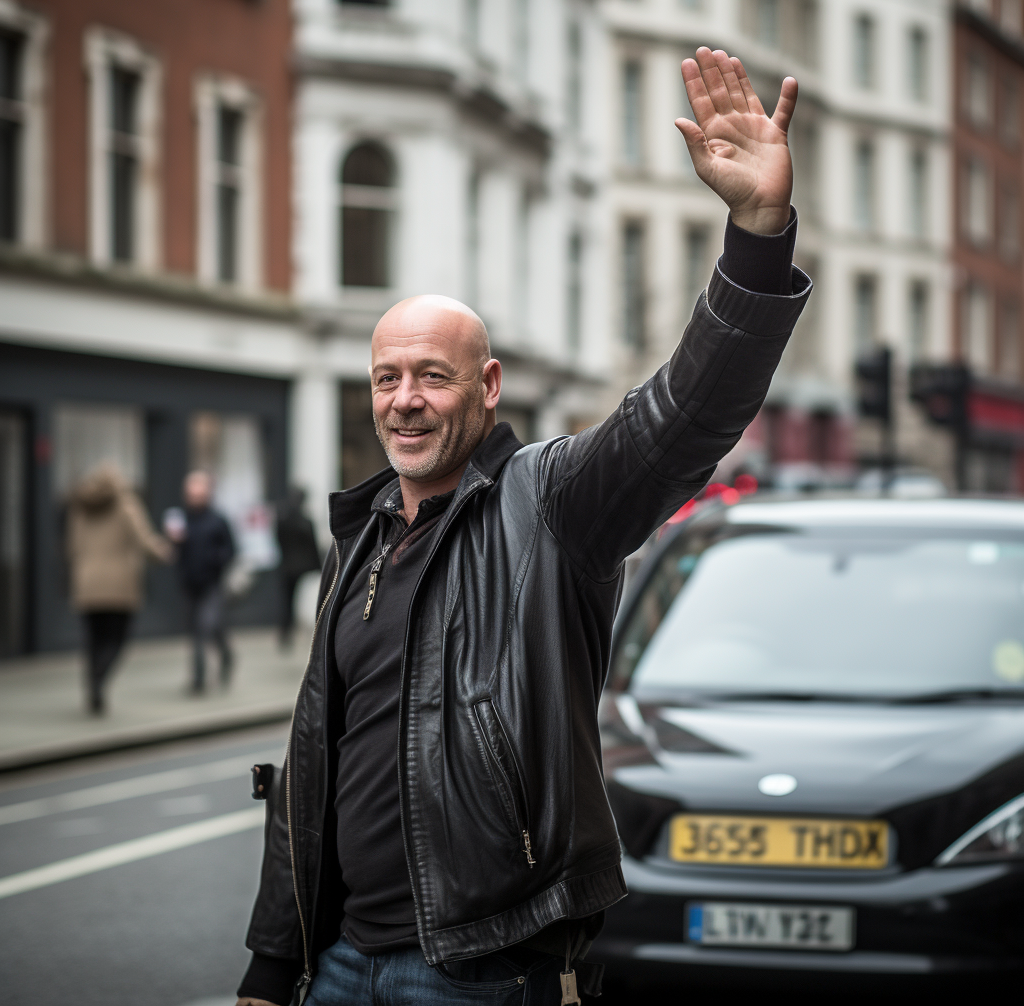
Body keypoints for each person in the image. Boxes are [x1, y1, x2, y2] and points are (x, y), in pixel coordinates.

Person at [237, 49, 810, 1006]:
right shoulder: (363, 536)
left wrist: (755, 235)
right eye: (388, 378)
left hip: (482, 969)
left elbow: (682, 418)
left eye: (433, 375)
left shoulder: (550, 505)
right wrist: (271, 960)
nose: (406, 402)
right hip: (334, 965)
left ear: (488, 386)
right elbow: (313, 765)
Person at [66, 463, 171, 715]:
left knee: (93, 638)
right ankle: (99, 681)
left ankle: (92, 684)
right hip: (119, 582)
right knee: (117, 638)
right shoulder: (126, 504)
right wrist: (163, 551)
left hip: (87, 581)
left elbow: (71, 545)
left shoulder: (80, 507)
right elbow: (144, 540)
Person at [169, 470, 236, 693]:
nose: (195, 497)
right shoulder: (181, 519)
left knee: (204, 626)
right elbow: (175, 551)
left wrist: (216, 561)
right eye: (191, 493)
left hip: (212, 583)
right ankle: (222, 657)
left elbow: (231, 549)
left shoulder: (218, 520)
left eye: (199, 493)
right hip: (189, 583)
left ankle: (200, 678)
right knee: (200, 629)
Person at [275, 487, 322, 648]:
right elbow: (312, 545)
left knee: (287, 600)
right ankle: (289, 629)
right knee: (295, 599)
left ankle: (286, 630)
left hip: (288, 566)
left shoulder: (284, 519)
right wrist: (319, 566)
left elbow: (278, 540)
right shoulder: (304, 521)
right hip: (300, 566)